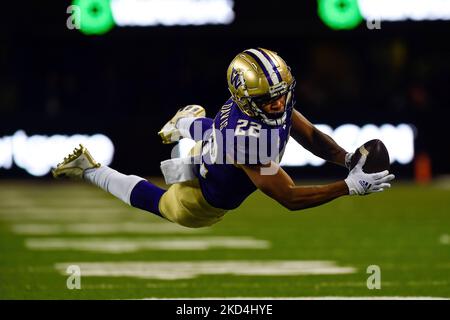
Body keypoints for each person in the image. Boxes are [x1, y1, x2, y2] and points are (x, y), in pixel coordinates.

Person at [52, 48, 395, 228]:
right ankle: (88, 169)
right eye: (269, 99)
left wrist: (347, 159)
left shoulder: (259, 101)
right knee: (162, 205)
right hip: (202, 199)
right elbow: (289, 197)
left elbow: (312, 138)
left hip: (214, 149)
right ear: (247, 98)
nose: (278, 103)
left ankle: (186, 124)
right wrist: (347, 187)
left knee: (211, 131)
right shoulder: (247, 141)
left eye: (281, 94)